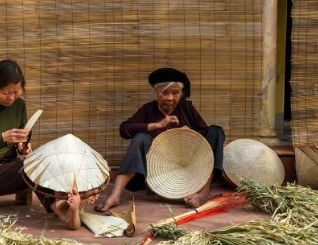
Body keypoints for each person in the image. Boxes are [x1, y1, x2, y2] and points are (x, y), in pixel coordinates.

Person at [0, 59, 95, 230]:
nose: (11, 97)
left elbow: (21, 139)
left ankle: (67, 202)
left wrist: (21, 147)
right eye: (6, 92)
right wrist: (3, 138)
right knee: (29, 166)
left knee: (42, 158)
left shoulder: (20, 105)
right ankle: (62, 209)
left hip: (13, 169)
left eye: (16, 92)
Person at [94, 67, 225, 212]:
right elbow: (124, 129)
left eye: (175, 93)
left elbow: (206, 144)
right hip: (157, 172)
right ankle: (115, 195)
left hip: (187, 167)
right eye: (165, 93)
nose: (170, 98)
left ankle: (203, 193)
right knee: (140, 137)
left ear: (181, 94)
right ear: (157, 94)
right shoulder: (148, 109)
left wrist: (191, 132)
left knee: (216, 131)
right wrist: (157, 125)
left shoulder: (186, 108)